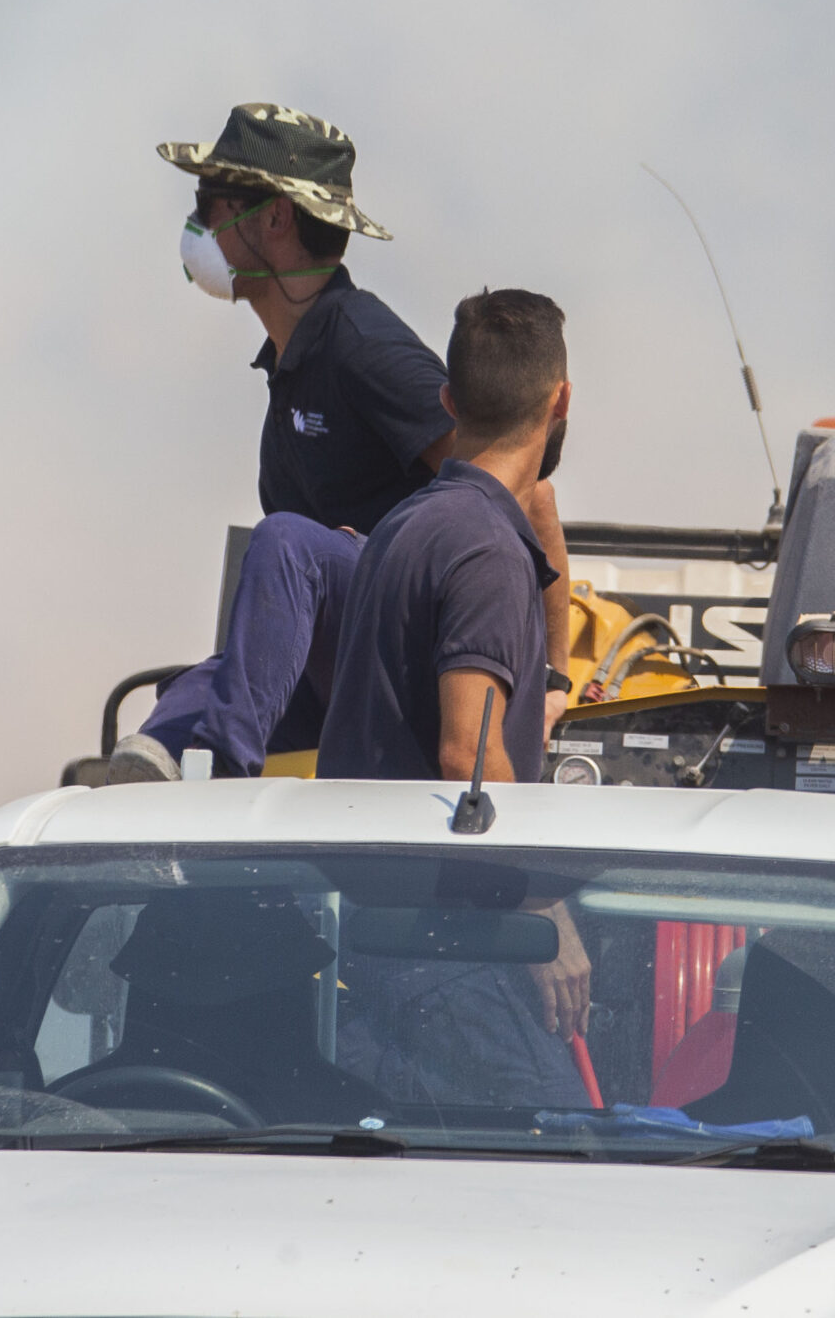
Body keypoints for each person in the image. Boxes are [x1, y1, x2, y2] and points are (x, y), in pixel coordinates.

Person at [107, 104, 570, 781]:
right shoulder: (294, 360)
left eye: (212, 203)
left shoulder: (361, 344)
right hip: (346, 660)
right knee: (189, 695)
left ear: (275, 219)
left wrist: (555, 675)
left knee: (287, 545)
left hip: (406, 636)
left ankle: (224, 785)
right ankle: (151, 785)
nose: (197, 224)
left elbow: (520, 490)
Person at [318, 289, 591, 1098]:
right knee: (563, 1145)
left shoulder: (410, 525)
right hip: (445, 954)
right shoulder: (486, 553)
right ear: (561, 402)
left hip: (382, 944)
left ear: (448, 400)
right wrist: (545, 914)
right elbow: (466, 762)